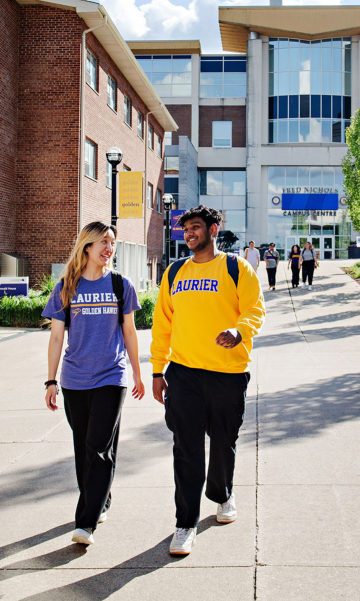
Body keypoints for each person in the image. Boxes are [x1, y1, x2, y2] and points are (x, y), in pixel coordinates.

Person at [151, 205, 265, 556]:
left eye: (196, 227)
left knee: (222, 442)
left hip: (227, 374)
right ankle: (185, 523)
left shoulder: (236, 267)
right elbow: (162, 326)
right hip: (183, 374)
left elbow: (255, 308)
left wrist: (239, 330)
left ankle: (222, 494)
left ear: (214, 230)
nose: (190, 233)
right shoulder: (173, 273)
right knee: (185, 448)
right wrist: (158, 370)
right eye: (186, 228)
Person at [42, 221, 146, 547]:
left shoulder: (120, 284)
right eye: (103, 241)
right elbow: (57, 336)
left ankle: (85, 523)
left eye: (112, 242)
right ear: (87, 246)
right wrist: (50, 380)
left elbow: (129, 331)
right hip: (75, 380)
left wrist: (138, 374)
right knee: (84, 449)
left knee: (98, 447)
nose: (108, 248)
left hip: (111, 375)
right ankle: (101, 499)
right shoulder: (66, 287)